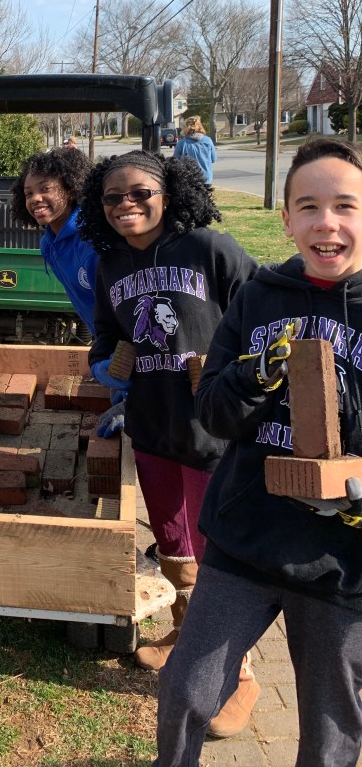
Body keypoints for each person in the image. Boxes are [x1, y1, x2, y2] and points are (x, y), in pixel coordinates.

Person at [155, 137, 362, 766]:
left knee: (329, 732)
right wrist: (255, 375)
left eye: (346, 206)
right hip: (245, 536)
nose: (327, 222)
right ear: (286, 218)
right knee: (186, 690)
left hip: (341, 562)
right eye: (308, 206)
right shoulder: (259, 297)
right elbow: (213, 413)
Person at [78, 150, 257, 690]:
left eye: (140, 194)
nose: (126, 204)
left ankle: (234, 670)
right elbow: (107, 333)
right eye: (113, 197)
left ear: (169, 194)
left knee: (216, 549)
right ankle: (185, 628)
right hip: (152, 427)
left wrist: (235, 376)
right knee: (174, 540)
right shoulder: (111, 263)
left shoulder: (209, 248)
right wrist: (103, 363)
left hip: (212, 433)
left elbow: (261, 317)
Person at [10, 145, 99, 337]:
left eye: (45, 189)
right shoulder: (48, 245)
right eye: (29, 193)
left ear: (71, 190)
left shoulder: (92, 240)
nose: (35, 198)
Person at [174, 115, 217, 184]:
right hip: (206, 178)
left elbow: (175, 161)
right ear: (200, 126)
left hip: (189, 179)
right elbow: (213, 159)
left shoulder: (181, 143)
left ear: (186, 127)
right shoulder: (208, 141)